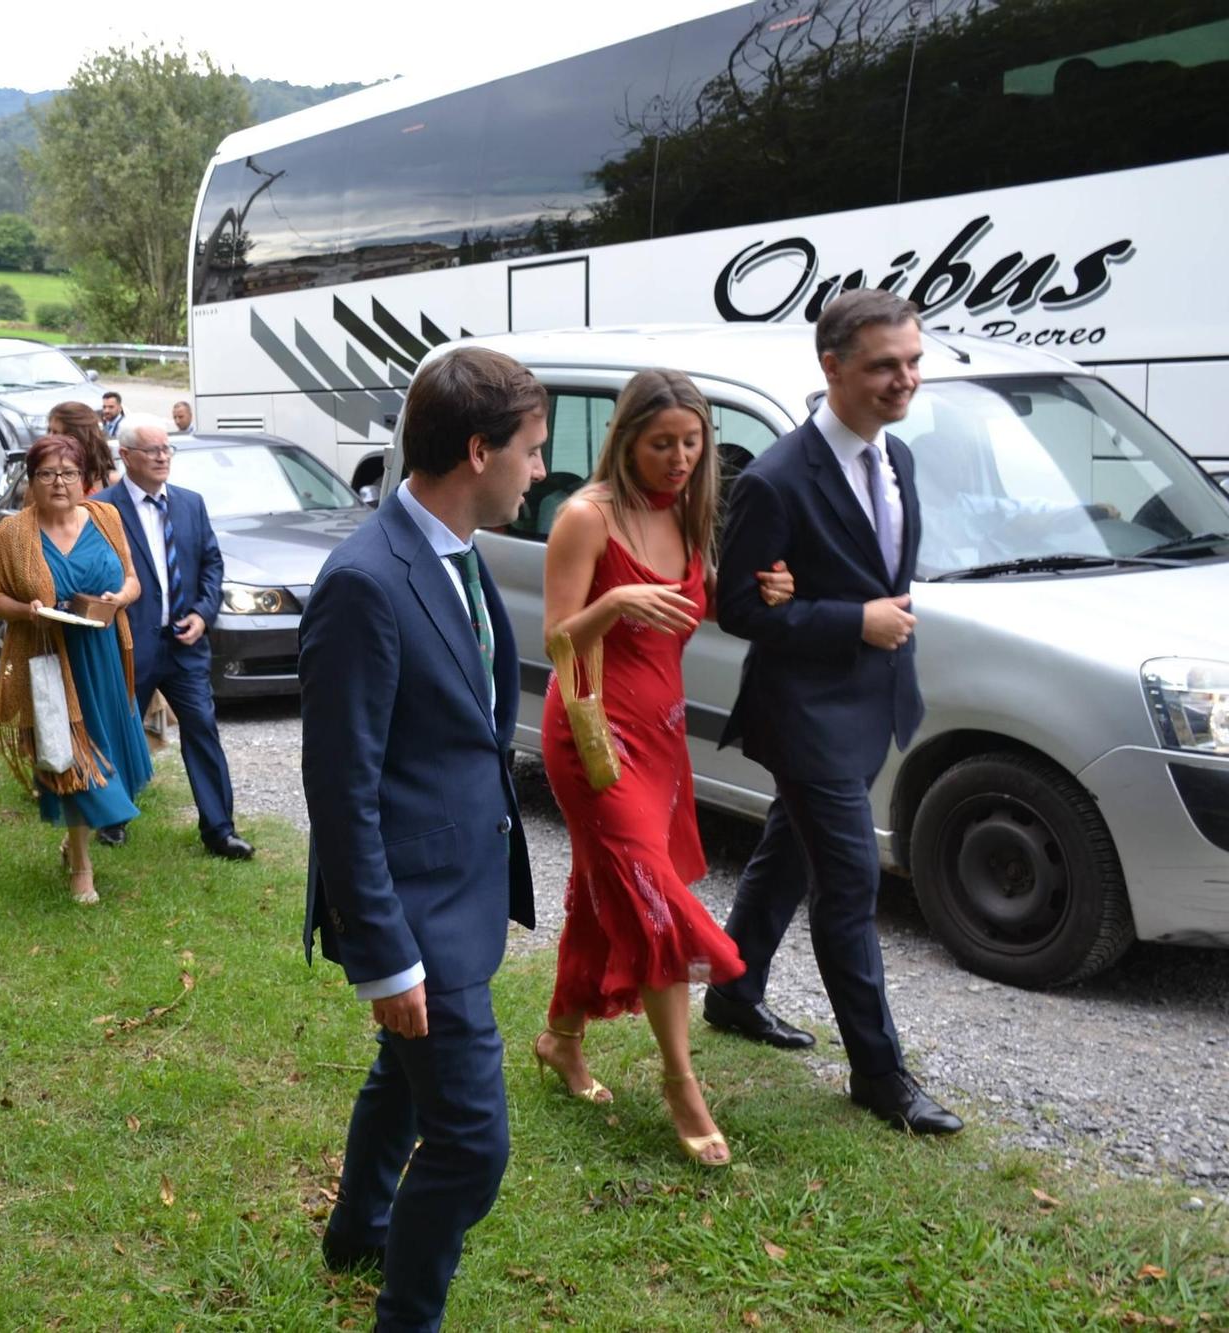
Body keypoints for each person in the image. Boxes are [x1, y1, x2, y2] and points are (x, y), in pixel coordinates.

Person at [301, 347, 543, 1332]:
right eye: (529, 452)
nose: (539, 471)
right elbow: (339, 788)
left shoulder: (453, 547)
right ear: (476, 450)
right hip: (414, 916)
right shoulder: (364, 580)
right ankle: (404, 1312)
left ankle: (357, 1227)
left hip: (460, 891)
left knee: (400, 1079)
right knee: (472, 1144)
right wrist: (386, 953)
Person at [707, 289, 963, 1136]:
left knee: (789, 849)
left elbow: (879, 571)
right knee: (848, 882)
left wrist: (865, 620)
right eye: (886, 364)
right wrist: (852, 620)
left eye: (914, 362)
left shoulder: (902, 462)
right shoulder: (777, 479)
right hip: (805, 712)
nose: (905, 380)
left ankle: (735, 992)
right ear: (833, 367)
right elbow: (737, 606)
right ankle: (880, 1077)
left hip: (873, 703)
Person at [533, 369, 796, 1169]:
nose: (680, 457)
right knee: (653, 895)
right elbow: (555, 639)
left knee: (601, 892)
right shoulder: (586, 517)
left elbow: (696, 604)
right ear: (626, 439)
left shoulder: (686, 512)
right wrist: (614, 606)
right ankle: (682, 1081)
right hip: (593, 739)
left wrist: (765, 591)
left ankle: (561, 1037)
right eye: (662, 443)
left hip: (662, 736)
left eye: (692, 442)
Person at [0, 434, 153, 905]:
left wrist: (121, 599)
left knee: (109, 754)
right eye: (47, 474)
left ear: (85, 480)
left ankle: (73, 840)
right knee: (75, 762)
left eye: (69, 474)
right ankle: (81, 866)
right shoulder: (14, 534)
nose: (59, 483)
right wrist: (26, 610)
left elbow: (133, 579)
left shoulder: (107, 518)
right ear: (31, 481)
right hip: (52, 662)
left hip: (104, 657)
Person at [94, 415, 253, 859]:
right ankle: (112, 817)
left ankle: (220, 830)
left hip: (185, 644)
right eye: (152, 450)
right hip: (130, 642)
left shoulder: (190, 504)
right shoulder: (103, 510)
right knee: (122, 728)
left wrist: (203, 613)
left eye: (167, 449)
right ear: (126, 457)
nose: (163, 457)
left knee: (201, 728)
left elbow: (212, 565)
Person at [48, 401, 120, 489]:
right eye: (49, 431)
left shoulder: (111, 481)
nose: (50, 438)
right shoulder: (45, 476)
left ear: (77, 437)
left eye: (56, 432)